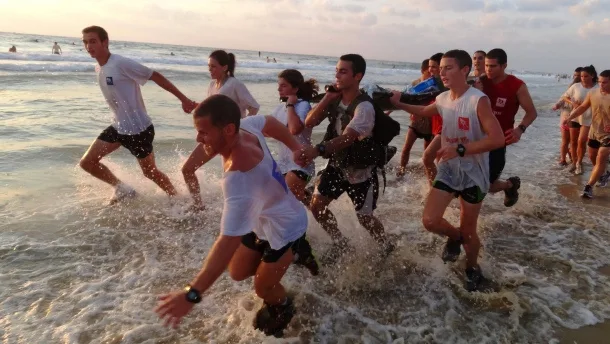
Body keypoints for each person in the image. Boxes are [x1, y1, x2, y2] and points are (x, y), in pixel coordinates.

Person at [155, 95, 317, 337]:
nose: (198, 138)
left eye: (203, 132)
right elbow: (271, 122)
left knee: (263, 288)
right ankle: (291, 257)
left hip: (286, 228)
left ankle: (284, 306)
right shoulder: (246, 127)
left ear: (228, 129)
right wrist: (296, 149)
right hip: (262, 219)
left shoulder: (239, 177)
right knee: (237, 272)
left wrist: (192, 294)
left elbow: (227, 241)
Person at [389, 50, 504, 291]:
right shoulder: (442, 98)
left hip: (474, 173)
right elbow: (422, 111)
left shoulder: (478, 100)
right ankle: (453, 237)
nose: (442, 72)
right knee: (430, 220)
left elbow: (497, 139)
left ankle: (472, 267)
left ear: (465, 70)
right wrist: (397, 103)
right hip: (449, 170)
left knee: (469, 229)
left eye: (448, 68)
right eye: (441, 68)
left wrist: (461, 149)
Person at [79, 26, 196, 204]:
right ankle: (122, 188)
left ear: (105, 42)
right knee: (87, 163)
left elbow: (154, 75)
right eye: (85, 42)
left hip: (139, 130)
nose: (88, 46)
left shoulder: (120, 63)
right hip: (119, 128)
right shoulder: (98, 68)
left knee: (150, 172)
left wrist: (184, 99)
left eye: (93, 41)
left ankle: (177, 198)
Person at [301, 54, 395, 260]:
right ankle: (341, 242)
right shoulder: (335, 100)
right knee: (317, 206)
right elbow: (309, 122)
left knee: (365, 218)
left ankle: (385, 244)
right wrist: (327, 98)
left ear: (357, 76)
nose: (337, 75)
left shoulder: (364, 107)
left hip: (361, 172)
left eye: (343, 71)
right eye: (336, 70)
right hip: (337, 165)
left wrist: (316, 150)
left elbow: (348, 138)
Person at [182, 50, 260, 210]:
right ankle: (198, 206)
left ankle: (248, 211)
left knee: (236, 179)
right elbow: (211, 111)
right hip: (212, 138)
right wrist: (195, 106)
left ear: (225, 67)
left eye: (213, 66)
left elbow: (254, 106)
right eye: (209, 66)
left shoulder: (234, 84)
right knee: (187, 169)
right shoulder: (212, 85)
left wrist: (241, 127)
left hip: (231, 139)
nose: (210, 70)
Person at [480, 48, 537, 207]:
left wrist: (520, 129)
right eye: (486, 65)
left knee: (487, 186)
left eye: (492, 66)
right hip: (476, 139)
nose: (488, 70)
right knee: (470, 181)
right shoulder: (480, 82)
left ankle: (510, 185)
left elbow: (531, 112)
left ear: (504, 65)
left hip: (498, 141)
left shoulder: (516, 85)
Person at [270, 69, 318, 205]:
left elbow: (294, 129)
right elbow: (267, 131)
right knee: (300, 202)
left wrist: (291, 105)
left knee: (282, 203)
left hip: (301, 164)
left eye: (283, 85)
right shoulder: (279, 108)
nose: (279, 88)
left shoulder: (303, 105)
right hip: (283, 164)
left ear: (295, 88)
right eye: (279, 85)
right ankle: (312, 201)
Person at [563, 70, 610, 198]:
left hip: (608, 135)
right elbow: (583, 107)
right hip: (594, 131)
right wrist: (569, 117)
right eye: (600, 82)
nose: (601, 85)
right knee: (592, 157)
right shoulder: (593, 93)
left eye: (605, 82)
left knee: (601, 156)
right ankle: (604, 174)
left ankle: (588, 187)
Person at [397, 59, 433, 177]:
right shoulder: (415, 84)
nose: (431, 73)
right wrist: (390, 109)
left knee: (426, 153)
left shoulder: (434, 86)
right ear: (423, 71)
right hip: (415, 123)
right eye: (429, 71)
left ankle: (426, 172)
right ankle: (401, 171)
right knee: (406, 148)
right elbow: (403, 98)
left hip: (430, 124)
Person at [562, 65, 599, 175]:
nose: (583, 78)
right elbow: (565, 96)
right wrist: (572, 103)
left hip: (589, 117)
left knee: (581, 141)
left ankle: (579, 162)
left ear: (592, 76)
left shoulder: (597, 88)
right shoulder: (576, 86)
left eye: (586, 76)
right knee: (573, 141)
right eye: (582, 76)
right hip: (575, 116)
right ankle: (574, 163)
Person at [421, 52, 448, 184]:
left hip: (446, 126)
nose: (430, 69)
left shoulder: (443, 83)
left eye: (434, 67)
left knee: (427, 158)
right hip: (436, 124)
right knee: (439, 160)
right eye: (429, 66)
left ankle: (434, 190)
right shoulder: (432, 82)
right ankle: (442, 189)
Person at [552, 67, 582, 166]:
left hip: (578, 117)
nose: (577, 77)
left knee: (575, 141)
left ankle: (572, 155)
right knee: (565, 139)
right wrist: (557, 105)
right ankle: (562, 159)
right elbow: (564, 97)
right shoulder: (572, 86)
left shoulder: (586, 88)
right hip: (566, 115)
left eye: (579, 75)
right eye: (575, 75)